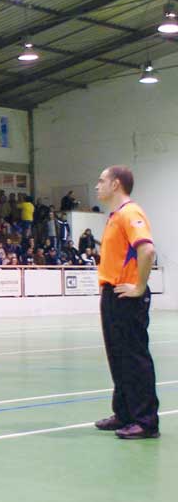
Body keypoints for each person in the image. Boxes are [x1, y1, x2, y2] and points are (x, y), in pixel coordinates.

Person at [93, 166, 158, 439]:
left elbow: (147, 249)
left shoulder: (131, 213)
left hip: (127, 295)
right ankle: (125, 413)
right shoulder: (115, 216)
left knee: (133, 357)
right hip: (112, 293)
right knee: (117, 357)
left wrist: (139, 286)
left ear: (116, 184)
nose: (97, 186)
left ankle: (145, 421)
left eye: (101, 181)